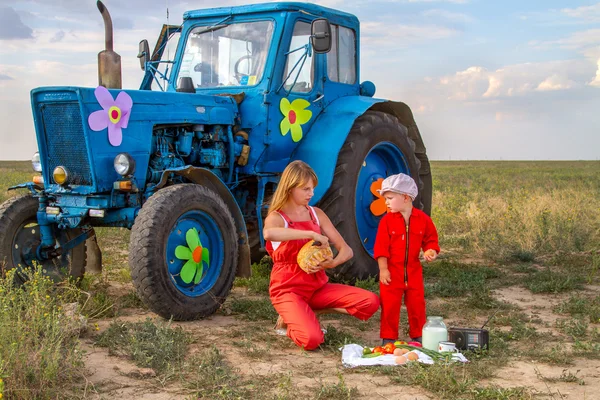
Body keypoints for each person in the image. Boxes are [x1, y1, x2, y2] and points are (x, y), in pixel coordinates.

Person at [263, 160, 380, 350]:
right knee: (312, 340)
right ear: (290, 188)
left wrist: (331, 264)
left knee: (370, 301)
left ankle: (306, 312)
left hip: (316, 287)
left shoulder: (316, 214)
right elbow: (269, 234)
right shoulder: (277, 217)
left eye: (312, 189)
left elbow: (346, 250)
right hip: (288, 290)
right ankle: (289, 320)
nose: (312, 194)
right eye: (306, 189)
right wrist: (310, 234)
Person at [373, 173, 440, 345]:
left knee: (417, 304)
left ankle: (418, 334)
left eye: (389, 198)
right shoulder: (386, 222)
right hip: (391, 272)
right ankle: (388, 337)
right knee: (389, 306)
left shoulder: (423, 220)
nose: (386, 202)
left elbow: (430, 239)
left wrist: (431, 251)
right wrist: (383, 269)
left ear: (405, 197)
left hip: (413, 271)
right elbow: (381, 248)